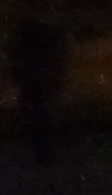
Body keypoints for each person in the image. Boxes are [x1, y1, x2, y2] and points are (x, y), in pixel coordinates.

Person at [4, 11, 72, 163]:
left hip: (35, 79)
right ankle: (43, 150)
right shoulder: (46, 35)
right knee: (41, 115)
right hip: (40, 79)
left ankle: (41, 150)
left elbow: (16, 56)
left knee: (36, 114)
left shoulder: (29, 35)